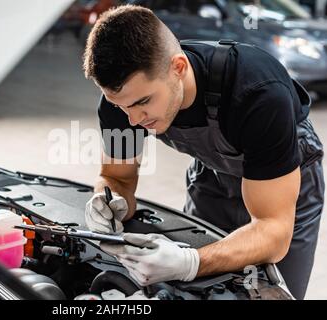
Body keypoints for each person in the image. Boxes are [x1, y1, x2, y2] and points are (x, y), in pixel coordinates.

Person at [82, 5, 324, 299]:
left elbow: (273, 231)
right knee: (191, 291)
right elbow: (116, 178)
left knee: (270, 292)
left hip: (286, 179)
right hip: (214, 174)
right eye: (122, 106)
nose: (133, 120)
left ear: (179, 67)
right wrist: (108, 202)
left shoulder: (257, 94)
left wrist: (190, 262)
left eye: (143, 101)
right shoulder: (122, 102)